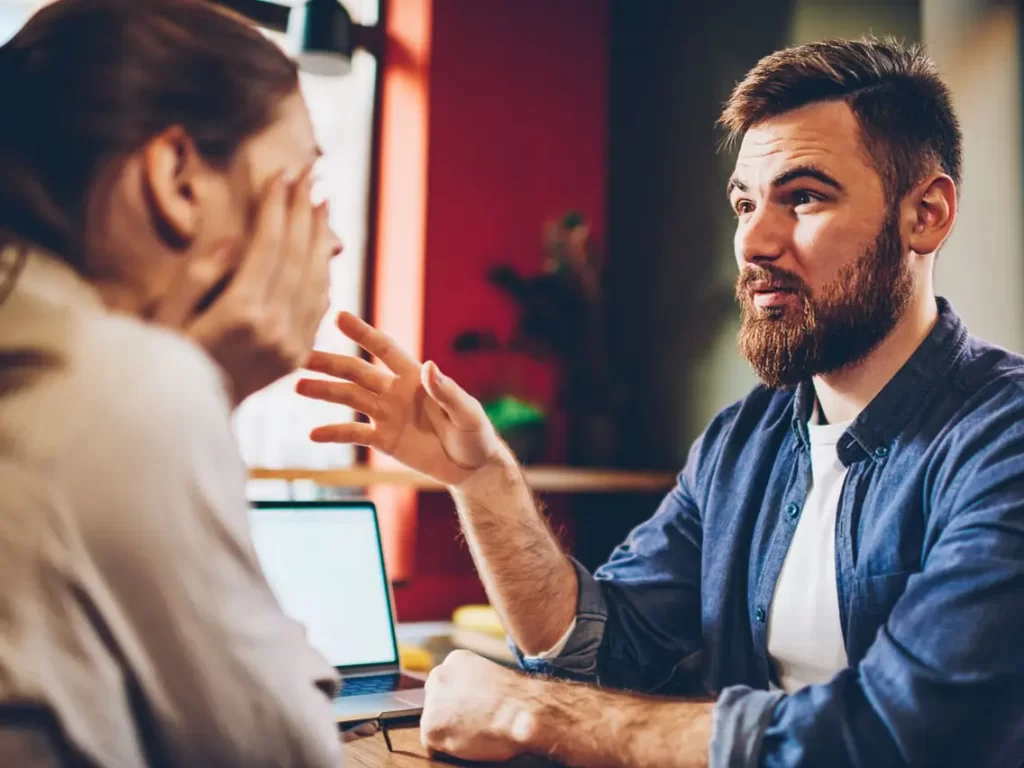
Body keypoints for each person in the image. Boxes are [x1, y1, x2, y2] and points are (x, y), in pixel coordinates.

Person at [299, 37, 1024, 767]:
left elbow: (913, 733)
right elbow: (604, 649)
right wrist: (483, 481)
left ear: (925, 214)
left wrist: (531, 712)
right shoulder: (743, 444)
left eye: (804, 197)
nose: (754, 241)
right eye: (745, 203)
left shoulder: (1004, 440)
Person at [0, 0, 345, 764]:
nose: (334, 236)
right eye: (305, 182)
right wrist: (206, 389)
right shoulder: (123, 391)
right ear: (178, 176)